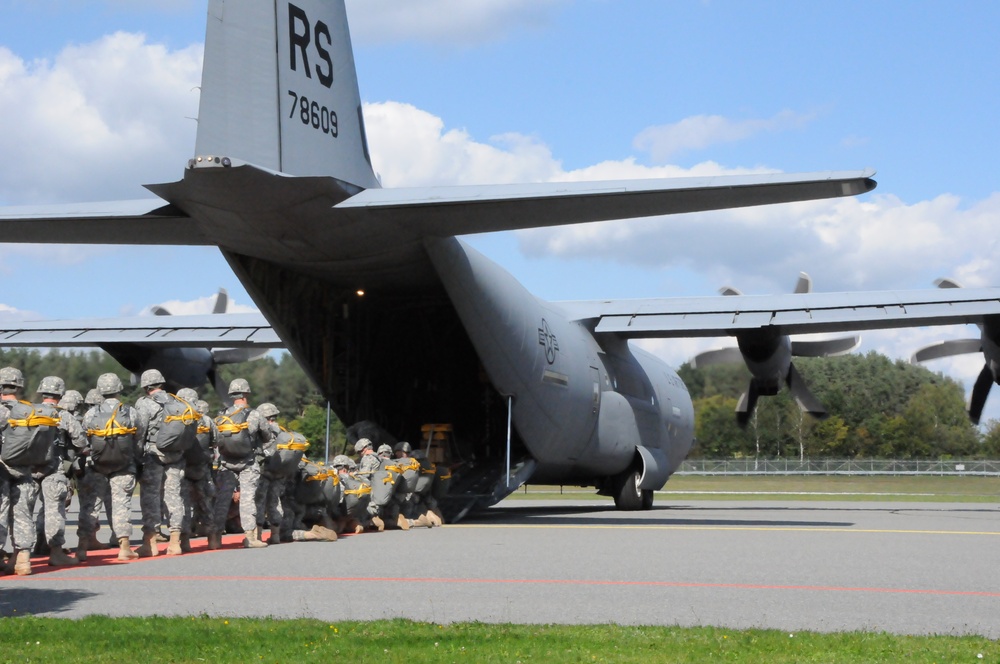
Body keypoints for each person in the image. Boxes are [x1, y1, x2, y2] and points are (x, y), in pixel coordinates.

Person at [1, 374, 86, 575]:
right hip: (50, 467)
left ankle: (10, 557)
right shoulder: (50, 413)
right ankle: (43, 555)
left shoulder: (20, 410)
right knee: (52, 510)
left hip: (13, 467)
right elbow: (81, 443)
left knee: (10, 513)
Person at [80, 372, 144, 562]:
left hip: (97, 465)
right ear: (119, 389)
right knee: (121, 504)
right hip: (124, 465)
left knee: (91, 505)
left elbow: (85, 440)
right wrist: (135, 459)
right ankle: (124, 547)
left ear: (100, 390)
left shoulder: (91, 413)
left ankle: (82, 547)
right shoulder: (130, 412)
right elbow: (138, 439)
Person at [134, 369, 194, 557]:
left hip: (153, 455)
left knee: (150, 498)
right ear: (161, 383)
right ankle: (176, 542)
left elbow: (139, 432)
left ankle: (150, 544)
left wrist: (137, 456)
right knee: (175, 498)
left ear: (145, 386)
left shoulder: (144, 404)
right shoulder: (176, 401)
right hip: (176, 456)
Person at [212, 378, 274, 549]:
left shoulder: (221, 415)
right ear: (246, 393)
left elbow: (215, 439)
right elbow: (268, 437)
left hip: (225, 462)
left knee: (222, 499)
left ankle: (215, 538)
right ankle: (250, 538)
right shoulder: (255, 415)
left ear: (231, 394)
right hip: (248, 461)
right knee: (247, 499)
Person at [176, 388, 217, 552]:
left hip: (181, 467)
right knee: (205, 503)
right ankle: (212, 539)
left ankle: (185, 541)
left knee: (183, 505)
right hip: (202, 468)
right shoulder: (206, 420)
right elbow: (216, 441)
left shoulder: (176, 419)